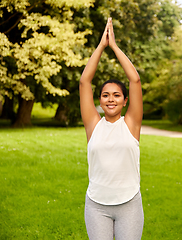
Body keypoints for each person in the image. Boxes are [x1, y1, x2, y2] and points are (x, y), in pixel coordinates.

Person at [79, 17, 144, 240]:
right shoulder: (93, 125)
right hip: (97, 205)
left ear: (125, 101)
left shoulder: (131, 124)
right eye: (106, 95)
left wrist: (114, 47)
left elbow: (134, 80)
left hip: (129, 204)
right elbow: (84, 82)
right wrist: (101, 46)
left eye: (116, 95)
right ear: (100, 100)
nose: (111, 99)